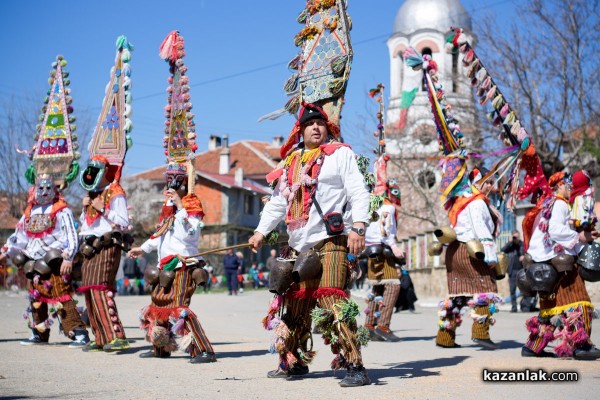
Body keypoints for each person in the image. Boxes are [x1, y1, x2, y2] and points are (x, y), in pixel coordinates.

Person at [249, 102, 371, 387]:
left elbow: (357, 190)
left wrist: (359, 226)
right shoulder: (291, 162)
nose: (316, 127)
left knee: (332, 302)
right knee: (294, 306)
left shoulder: (341, 154)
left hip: (331, 241)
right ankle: (294, 362)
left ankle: (356, 366)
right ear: (300, 130)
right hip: (297, 246)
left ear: (328, 128)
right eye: (310, 124)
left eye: (321, 123)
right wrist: (259, 232)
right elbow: (279, 202)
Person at [128, 30, 216, 364]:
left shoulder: (190, 204)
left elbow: (193, 233)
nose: (170, 185)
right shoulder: (169, 208)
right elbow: (160, 236)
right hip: (164, 263)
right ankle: (162, 347)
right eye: (169, 180)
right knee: (159, 306)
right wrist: (143, 247)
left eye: (175, 181)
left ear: (184, 183)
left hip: (184, 266)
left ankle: (204, 349)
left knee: (180, 308)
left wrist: (181, 207)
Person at [0, 177, 89, 347]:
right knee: (36, 298)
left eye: (49, 188)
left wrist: (69, 257)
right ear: (35, 189)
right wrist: (5, 251)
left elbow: (72, 234)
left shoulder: (62, 210)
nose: (45, 191)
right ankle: (39, 334)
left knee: (62, 297)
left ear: (55, 190)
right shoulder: (29, 211)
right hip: (33, 262)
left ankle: (79, 334)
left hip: (55, 261)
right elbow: (18, 236)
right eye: (40, 188)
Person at [521, 171, 600, 359]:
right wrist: (580, 237)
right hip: (559, 261)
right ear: (559, 186)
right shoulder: (559, 203)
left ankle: (534, 346)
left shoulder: (547, 204)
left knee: (551, 306)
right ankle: (581, 345)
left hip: (544, 263)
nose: (570, 188)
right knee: (579, 300)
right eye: (567, 185)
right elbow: (555, 230)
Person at [435, 168, 502, 350]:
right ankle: (481, 333)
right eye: (487, 182)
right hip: (472, 250)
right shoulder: (476, 201)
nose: (490, 186)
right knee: (486, 287)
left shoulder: (460, 200)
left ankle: (445, 337)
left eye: (492, 183)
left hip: (455, 251)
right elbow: (480, 227)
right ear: (478, 182)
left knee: (458, 292)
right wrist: (490, 252)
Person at [363, 179, 404, 342]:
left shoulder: (371, 204)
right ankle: (383, 326)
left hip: (371, 249)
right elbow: (386, 231)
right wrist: (394, 247)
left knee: (376, 288)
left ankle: (369, 326)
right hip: (384, 249)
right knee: (393, 285)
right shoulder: (388, 206)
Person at [501, 230, 525, 312]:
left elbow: (526, 253)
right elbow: (502, 250)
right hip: (512, 271)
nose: (515, 238)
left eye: (517, 236)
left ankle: (525, 306)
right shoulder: (510, 246)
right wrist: (509, 242)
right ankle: (514, 307)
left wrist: (523, 257)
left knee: (524, 290)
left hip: (522, 270)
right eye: (514, 236)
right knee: (512, 290)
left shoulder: (522, 245)